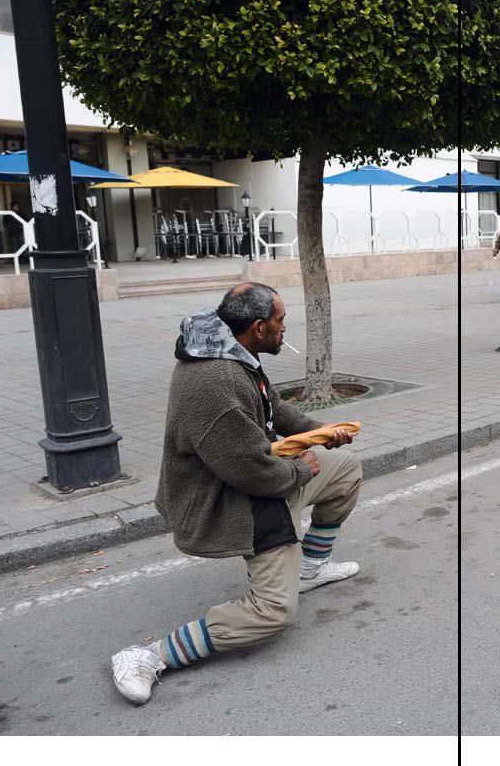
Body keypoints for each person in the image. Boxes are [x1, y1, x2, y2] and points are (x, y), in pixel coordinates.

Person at [110, 284, 359, 706]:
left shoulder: (231, 350)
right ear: (259, 327)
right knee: (274, 612)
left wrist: (321, 433)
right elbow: (251, 472)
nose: (285, 327)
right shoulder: (215, 382)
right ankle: (147, 657)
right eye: (281, 320)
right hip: (232, 498)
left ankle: (311, 568)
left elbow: (273, 410)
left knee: (345, 471)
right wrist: (301, 468)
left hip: (257, 474)